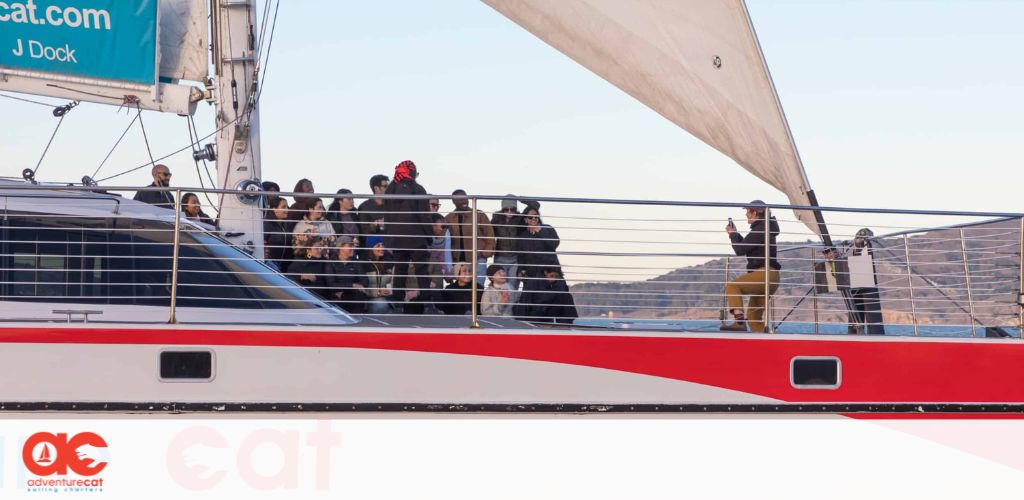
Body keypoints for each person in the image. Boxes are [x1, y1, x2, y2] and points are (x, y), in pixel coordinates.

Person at [721, 200, 782, 333]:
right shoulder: (765, 228)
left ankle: (739, 321)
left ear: (755, 212)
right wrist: (735, 234)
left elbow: (740, 250)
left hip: (764, 274)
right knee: (754, 317)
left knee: (732, 286)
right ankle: (765, 346)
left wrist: (732, 234)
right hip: (771, 277)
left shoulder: (761, 228)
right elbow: (747, 245)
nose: (746, 215)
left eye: (748, 211)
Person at [383, 160, 432, 304]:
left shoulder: (390, 190)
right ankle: (426, 302)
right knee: (421, 271)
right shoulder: (417, 189)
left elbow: (388, 216)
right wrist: (429, 237)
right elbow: (424, 215)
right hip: (416, 237)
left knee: (400, 270)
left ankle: (397, 302)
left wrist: (388, 238)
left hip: (396, 237)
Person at [829, 228, 885, 335]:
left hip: (859, 274)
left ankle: (856, 334)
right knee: (862, 292)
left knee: (861, 292)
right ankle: (866, 334)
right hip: (860, 275)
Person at [445, 189, 495, 286]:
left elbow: (489, 234)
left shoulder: (478, 215)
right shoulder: (449, 218)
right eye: (460, 199)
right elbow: (446, 240)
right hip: (459, 260)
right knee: (462, 288)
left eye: (466, 198)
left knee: (478, 287)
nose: (464, 201)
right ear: (454, 202)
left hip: (478, 258)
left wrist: (485, 253)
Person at [491, 195, 536, 293]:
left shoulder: (520, 219)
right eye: (506, 209)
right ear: (502, 209)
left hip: (515, 259)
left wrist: (520, 199)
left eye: (512, 209)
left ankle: (512, 308)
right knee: (500, 287)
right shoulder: (496, 219)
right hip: (500, 258)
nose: (509, 212)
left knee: (513, 287)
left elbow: (535, 205)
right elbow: (488, 234)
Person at [516, 206, 560, 288]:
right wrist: (520, 271)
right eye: (530, 217)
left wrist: (541, 231)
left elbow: (555, 244)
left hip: (550, 274)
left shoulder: (547, 228)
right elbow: (521, 256)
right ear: (525, 220)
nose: (533, 218)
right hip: (531, 276)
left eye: (536, 216)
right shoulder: (522, 236)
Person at [327, 236, 369, 314]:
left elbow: (365, 281)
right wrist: (352, 285)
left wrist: (346, 290)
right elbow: (331, 284)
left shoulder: (356, 262)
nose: (352, 248)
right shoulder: (331, 263)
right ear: (340, 247)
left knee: (358, 295)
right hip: (337, 297)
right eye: (350, 246)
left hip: (351, 295)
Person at [288, 236, 331, 301]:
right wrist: (301, 276)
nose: (319, 250)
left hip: (323, 299)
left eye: (320, 248)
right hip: (306, 299)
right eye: (316, 248)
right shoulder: (300, 262)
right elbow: (289, 278)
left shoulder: (325, 262)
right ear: (308, 250)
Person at [363, 235, 395, 314]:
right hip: (370, 298)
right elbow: (362, 285)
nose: (382, 248)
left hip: (389, 298)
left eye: (383, 245)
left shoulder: (390, 262)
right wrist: (377, 292)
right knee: (380, 305)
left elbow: (395, 281)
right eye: (378, 246)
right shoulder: (364, 264)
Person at [264, 197, 293, 272]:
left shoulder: (287, 223)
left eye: (287, 207)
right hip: (271, 267)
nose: (287, 210)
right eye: (283, 207)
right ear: (274, 209)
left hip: (285, 266)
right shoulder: (267, 224)